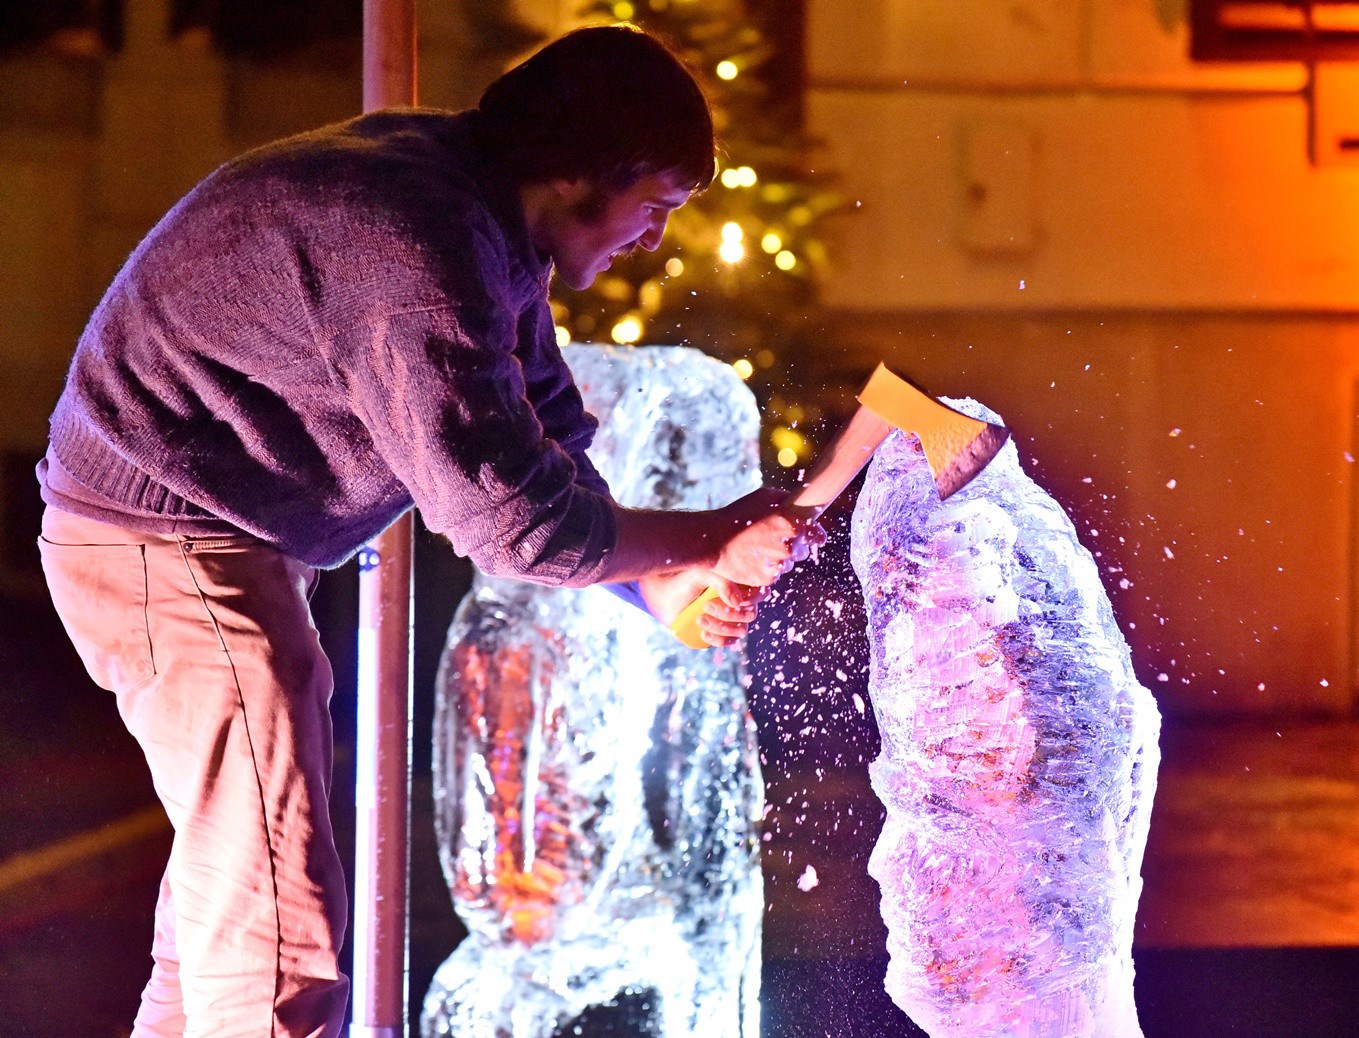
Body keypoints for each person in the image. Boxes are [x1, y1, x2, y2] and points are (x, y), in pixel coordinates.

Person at [35, 25, 820, 1038]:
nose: (654, 238)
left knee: (230, 908)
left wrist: (656, 580)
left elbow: (543, 436)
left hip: (192, 538)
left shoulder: (477, 203)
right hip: (162, 543)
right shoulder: (414, 245)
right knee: (276, 928)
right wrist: (708, 534)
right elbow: (512, 521)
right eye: (656, 206)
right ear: (588, 172)